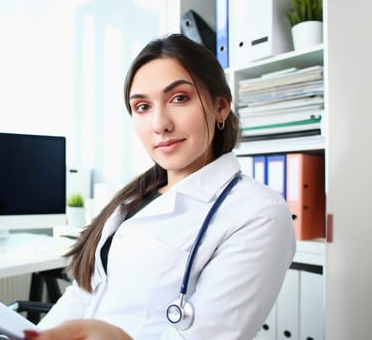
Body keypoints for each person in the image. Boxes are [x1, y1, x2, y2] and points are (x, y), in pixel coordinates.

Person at [27, 33, 296, 340]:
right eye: (142, 106)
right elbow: (84, 295)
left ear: (220, 107)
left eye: (179, 98)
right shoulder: (133, 199)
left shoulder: (258, 213)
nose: (159, 124)